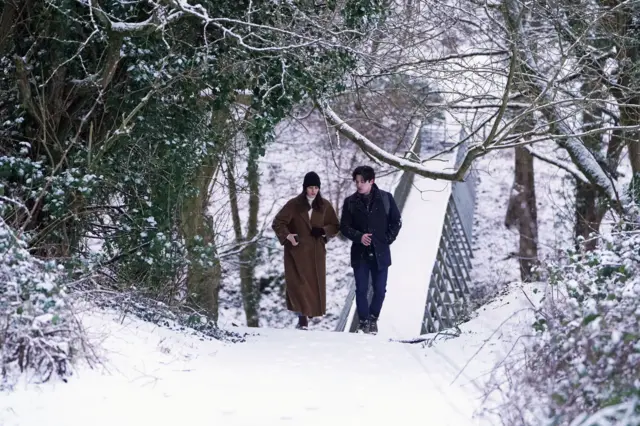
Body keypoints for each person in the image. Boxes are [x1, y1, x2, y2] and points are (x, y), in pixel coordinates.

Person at [272, 171, 340, 330]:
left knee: (313, 284)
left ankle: (309, 312)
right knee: (299, 284)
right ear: (304, 188)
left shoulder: (324, 205)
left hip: (316, 252)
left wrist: (323, 231)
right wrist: (288, 236)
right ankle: (302, 318)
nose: (313, 191)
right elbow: (278, 223)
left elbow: (335, 226)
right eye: (310, 187)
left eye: (316, 187)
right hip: (296, 251)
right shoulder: (293, 204)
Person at [340, 166, 402, 334]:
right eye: (357, 181)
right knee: (361, 289)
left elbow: (396, 222)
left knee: (380, 289)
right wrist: (359, 236)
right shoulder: (350, 202)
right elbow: (344, 227)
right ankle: (363, 321)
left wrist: (387, 239)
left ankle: (373, 318)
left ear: (372, 181)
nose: (359, 185)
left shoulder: (386, 199)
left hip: (380, 252)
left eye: (363, 181)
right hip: (360, 253)